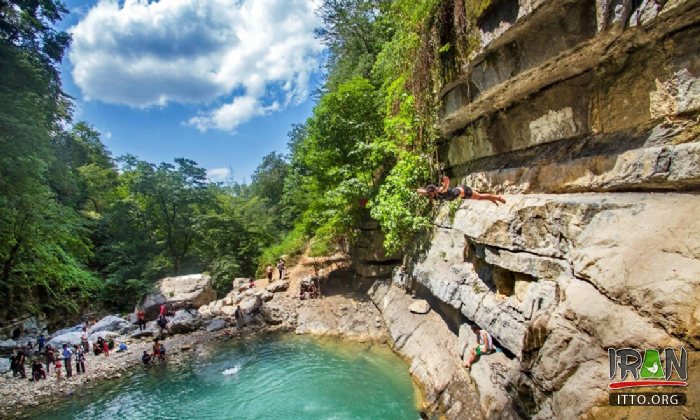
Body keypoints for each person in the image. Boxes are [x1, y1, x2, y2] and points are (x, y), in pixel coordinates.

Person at [417, 176, 506, 205]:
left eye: (430, 194)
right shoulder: (434, 195)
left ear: (433, 191)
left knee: (479, 197)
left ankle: (496, 197)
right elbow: (421, 190)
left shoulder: (440, 191)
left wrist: (446, 182)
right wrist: (421, 192)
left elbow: (445, 188)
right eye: (429, 194)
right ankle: (492, 198)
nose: (430, 196)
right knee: (478, 198)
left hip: (463, 190)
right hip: (461, 195)